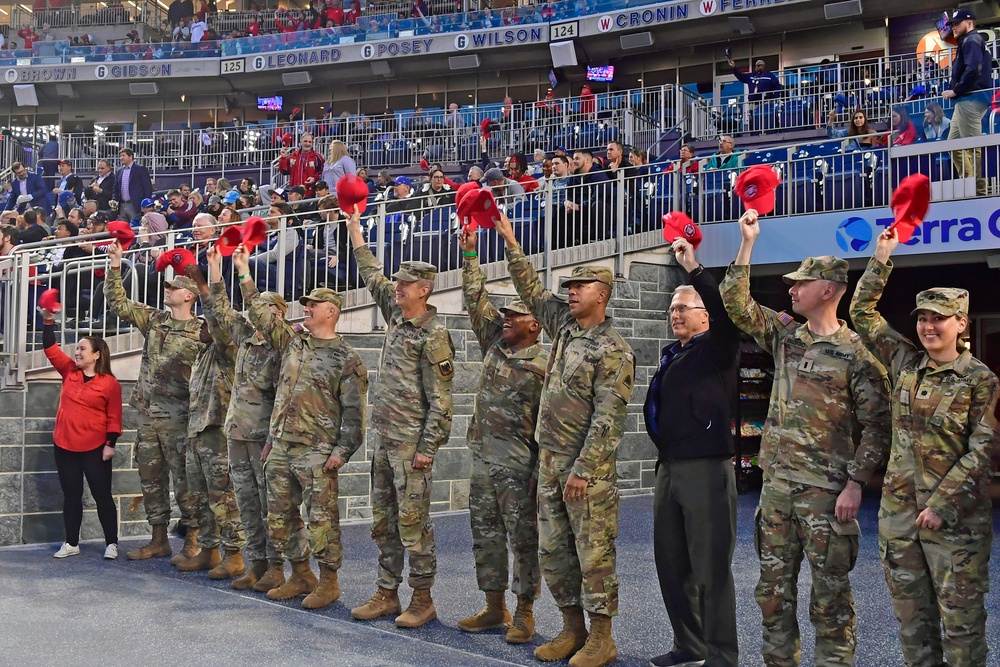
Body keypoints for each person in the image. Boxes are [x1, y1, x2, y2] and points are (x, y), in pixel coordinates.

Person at [719, 209, 891, 667]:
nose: (791, 289)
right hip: (776, 491)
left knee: (830, 600)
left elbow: (878, 426)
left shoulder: (858, 356)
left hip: (826, 494)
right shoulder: (785, 337)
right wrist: (747, 242)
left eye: (801, 283)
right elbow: (736, 303)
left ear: (829, 290)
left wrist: (856, 482)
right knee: (772, 596)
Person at [850, 228, 1000, 667]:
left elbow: (982, 451)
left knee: (961, 627)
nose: (928, 326)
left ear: (960, 324)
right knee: (912, 625)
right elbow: (861, 312)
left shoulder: (981, 380)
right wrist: (881, 257)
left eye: (938, 318)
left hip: (955, 525)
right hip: (900, 520)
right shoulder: (905, 362)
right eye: (922, 318)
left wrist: (941, 504)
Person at [494, 211, 635, 667]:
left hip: (584, 471)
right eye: (569, 286)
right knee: (554, 551)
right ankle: (571, 627)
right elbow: (532, 290)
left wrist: (583, 469)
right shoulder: (565, 328)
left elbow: (608, 418)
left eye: (580, 286)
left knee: (593, 554)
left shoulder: (614, 350)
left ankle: (601, 637)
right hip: (552, 463)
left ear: (603, 294)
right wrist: (510, 238)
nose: (571, 292)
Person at [231, 245, 368, 608]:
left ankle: (329, 582)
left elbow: (355, 413)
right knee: (281, 517)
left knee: (321, 521)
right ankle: (300, 573)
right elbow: (261, 314)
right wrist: (244, 272)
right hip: (281, 447)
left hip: (317, 452)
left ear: (331, 312)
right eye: (304, 304)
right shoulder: (293, 342)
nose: (304, 308)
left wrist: (342, 452)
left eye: (312, 305)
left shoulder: (346, 358)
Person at [346, 209, 454, 629]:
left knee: (414, 525)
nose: (397, 287)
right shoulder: (396, 316)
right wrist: (355, 231)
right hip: (385, 442)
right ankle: (387, 592)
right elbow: (372, 272)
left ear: (423, 289)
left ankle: (422, 599)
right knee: (383, 521)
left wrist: (428, 448)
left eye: (405, 283)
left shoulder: (433, 335)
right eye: (398, 281)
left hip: (412, 448)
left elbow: (442, 399)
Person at [643, 238, 740, 667]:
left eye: (684, 307)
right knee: (671, 563)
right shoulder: (672, 355)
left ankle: (721, 655)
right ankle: (691, 644)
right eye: (672, 309)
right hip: (670, 469)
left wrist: (694, 271)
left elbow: (725, 315)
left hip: (705, 469)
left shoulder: (717, 350)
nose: (675, 314)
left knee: (711, 570)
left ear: (704, 316)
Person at [456, 225, 546, 644]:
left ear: (536, 325)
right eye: (505, 315)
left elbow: (551, 426)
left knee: (523, 540)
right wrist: (471, 257)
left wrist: (541, 471)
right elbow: (476, 301)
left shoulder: (544, 367)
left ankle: (525, 611)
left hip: (519, 466)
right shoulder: (496, 343)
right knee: (486, 535)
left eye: (515, 315)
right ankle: (495, 607)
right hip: (485, 461)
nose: (505, 319)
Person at [104, 241, 205, 561]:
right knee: (150, 478)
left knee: (185, 481)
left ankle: (193, 540)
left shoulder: (202, 331)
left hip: (180, 418)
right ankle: (158, 539)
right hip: (148, 414)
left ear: (188, 295)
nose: (167, 290)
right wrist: (116, 266)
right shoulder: (155, 319)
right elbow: (118, 303)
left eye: (173, 287)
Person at [203, 251, 287, 591]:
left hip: (263, 437)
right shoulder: (248, 340)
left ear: (279, 314)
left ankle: (277, 568)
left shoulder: (287, 345)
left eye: (265, 310)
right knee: (248, 506)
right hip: (237, 433)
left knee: (272, 507)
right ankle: (256, 564)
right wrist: (213, 269)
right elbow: (220, 311)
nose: (256, 317)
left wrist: (244, 272)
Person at [172, 262, 246, 579]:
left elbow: (217, 319)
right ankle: (209, 550)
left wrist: (203, 282)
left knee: (223, 499)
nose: (202, 327)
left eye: (207, 324)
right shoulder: (203, 354)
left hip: (218, 435)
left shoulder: (226, 350)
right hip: (198, 432)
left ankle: (234, 556)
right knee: (200, 498)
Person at [40, 311, 122, 561]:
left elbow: (115, 417)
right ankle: (71, 543)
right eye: (76, 348)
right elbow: (50, 348)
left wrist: (110, 445)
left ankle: (111, 543)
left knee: (102, 496)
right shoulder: (69, 372)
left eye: (82, 349)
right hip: (64, 445)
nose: (77, 352)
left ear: (96, 355)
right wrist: (47, 321)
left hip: (95, 448)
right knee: (71, 495)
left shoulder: (109, 383)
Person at [943, 8, 991, 195]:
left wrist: (956, 90)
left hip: (970, 98)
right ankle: (969, 185)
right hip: (967, 99)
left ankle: (979, 193)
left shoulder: (971, 40)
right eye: (952, 23)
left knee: (972, 147)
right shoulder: (972, 41)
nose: (953, 27)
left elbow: (972, 70)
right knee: (952, 145)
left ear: (969, 23)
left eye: (957, 23)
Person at [113, 148, 153, 223]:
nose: (121, 158)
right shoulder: (119, 171)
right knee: (122, 229)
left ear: (130, 156)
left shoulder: (140, 169)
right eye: (120, 156)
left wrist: (145, 205)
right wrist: (114, 199)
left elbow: (147, 187)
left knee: (135, 228)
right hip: (122, 205)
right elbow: (116, 188)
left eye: (123, 155)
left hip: (135, 205)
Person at [279, 133, 324, 198]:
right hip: (294, 194)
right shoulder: (293, 156)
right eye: (305, 141)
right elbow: (283, 171)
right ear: (301, 142)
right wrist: (283, 158)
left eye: (310, 142)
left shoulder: (317, 157)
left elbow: (322, 173)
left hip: (310, 194)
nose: (307, 144)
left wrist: (314, 178)